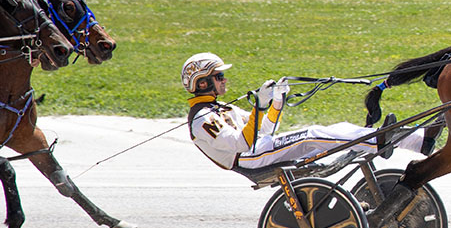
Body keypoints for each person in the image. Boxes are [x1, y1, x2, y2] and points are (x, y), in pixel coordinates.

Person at [181, 52, 432, 171]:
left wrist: (276, 102)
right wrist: (258, 106)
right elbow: (240, 143)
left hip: (260, 149)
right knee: (313, 135)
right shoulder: (203, 119)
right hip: (249, 159)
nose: (224, 80)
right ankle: (378, 141)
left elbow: (265, 129)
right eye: (219, 76)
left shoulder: (219, 108)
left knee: (338, 129)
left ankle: (417, 141)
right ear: (202, 83)